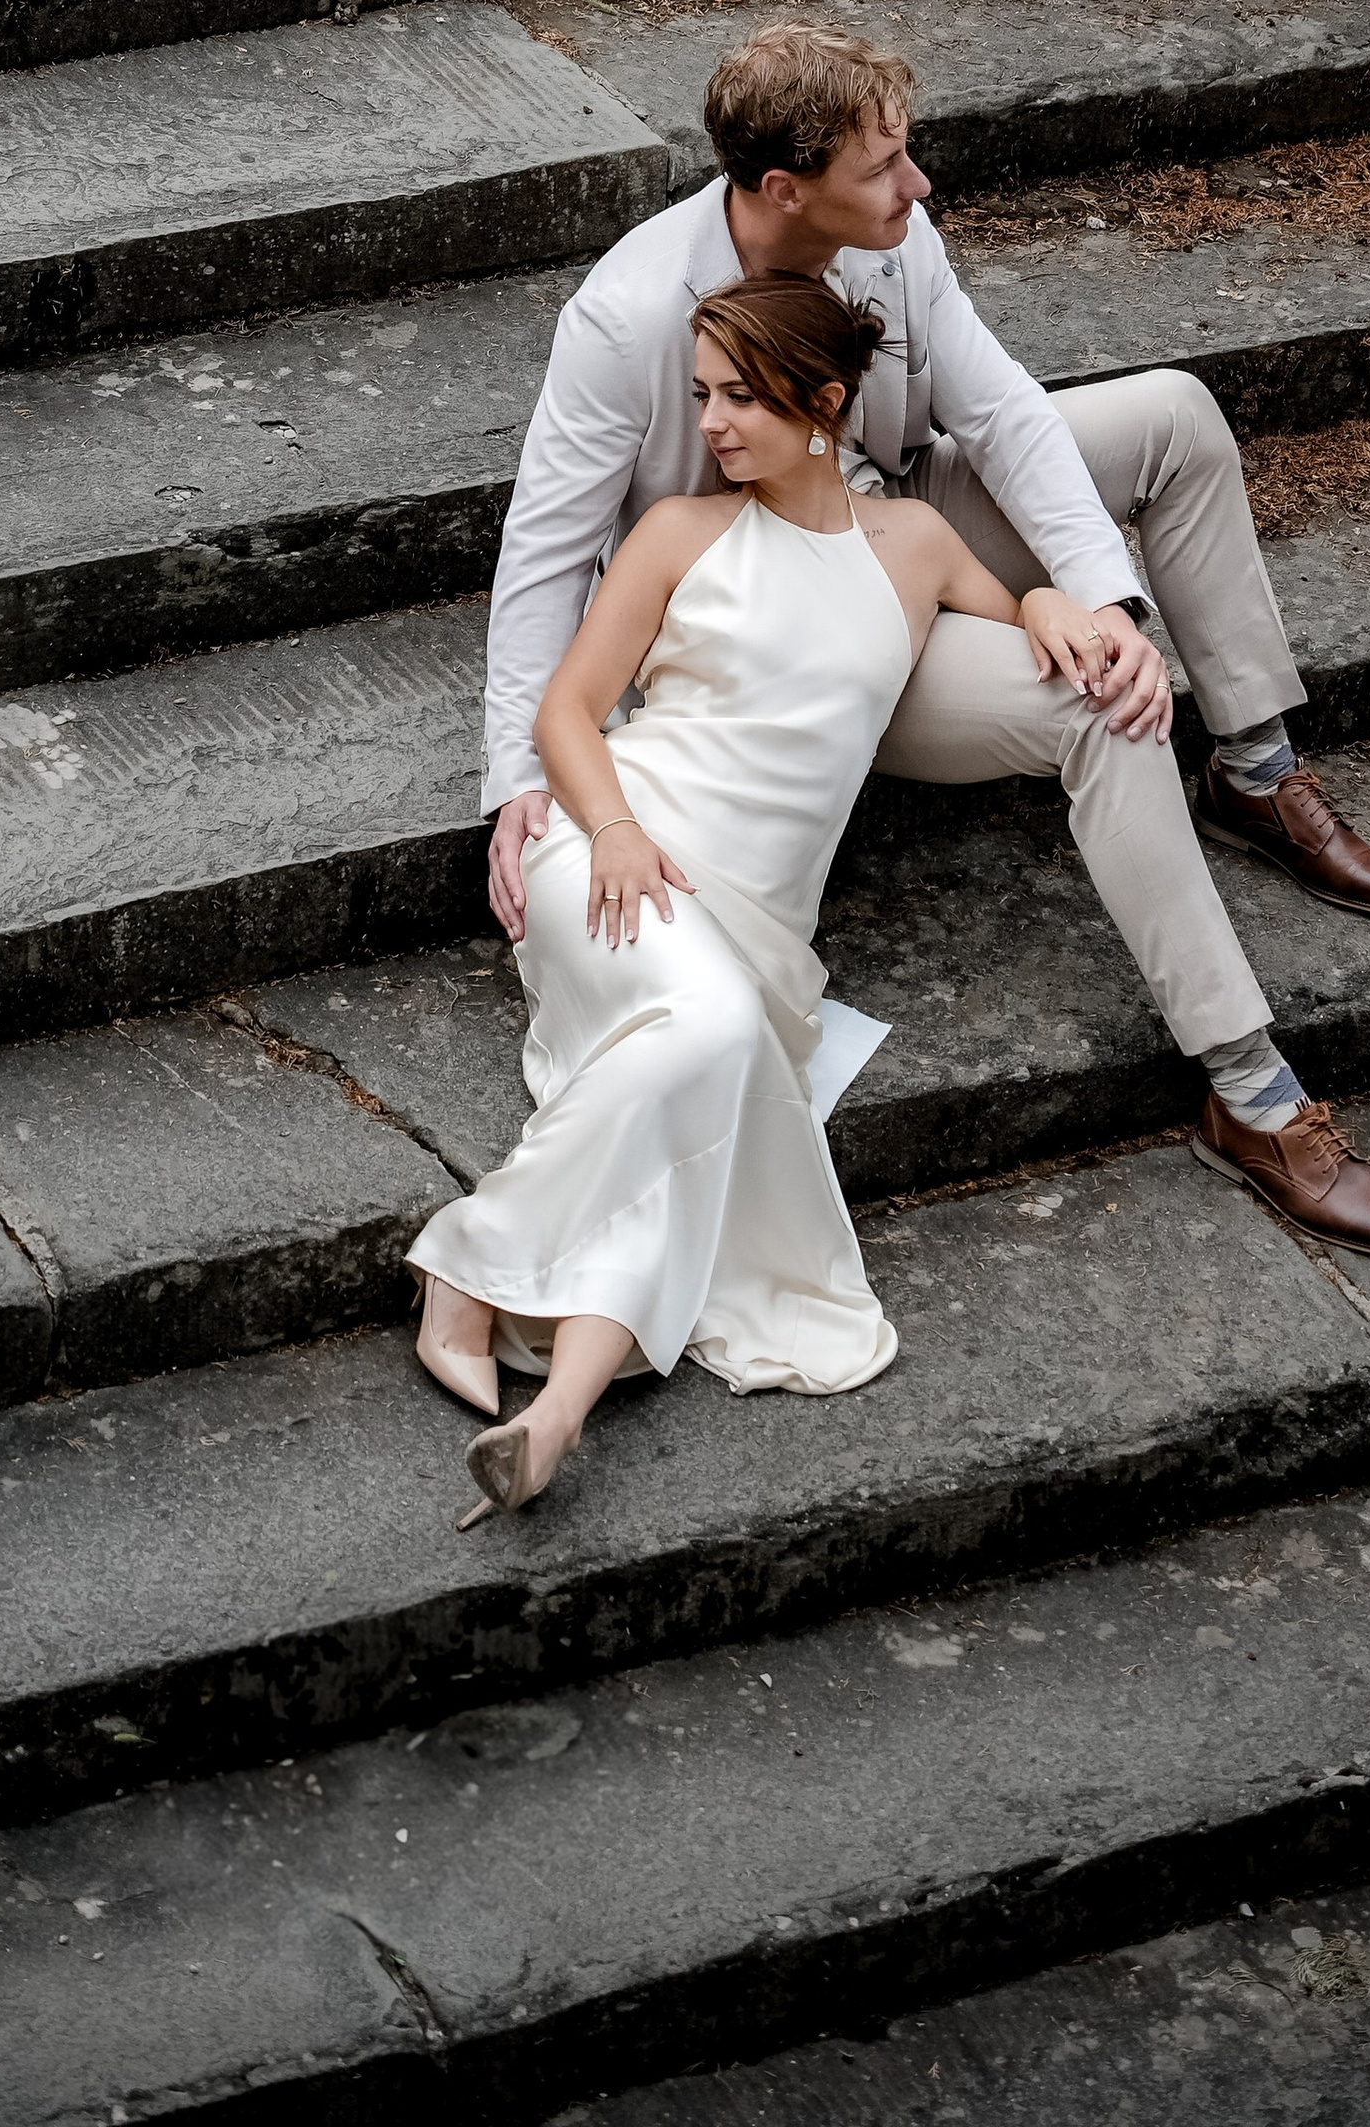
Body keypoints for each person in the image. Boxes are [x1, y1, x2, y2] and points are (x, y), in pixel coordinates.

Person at [477, 17, 1370, 1279]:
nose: (917, 186)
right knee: (1102, 714)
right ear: (784, 189)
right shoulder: (625, 317)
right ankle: (1251, 1092)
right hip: (781, 628)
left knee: (1174, 418)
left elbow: (1000, 412)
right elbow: (545, 547)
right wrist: (521, 780)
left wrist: (1108, 605)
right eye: (884, 168)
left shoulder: (893, 241)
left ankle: (1252, 765)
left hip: (897, 519)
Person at [408, 273, 1021, 1517]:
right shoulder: (678, 533)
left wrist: (1066, 598)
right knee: (714, 1034)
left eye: (741, 396)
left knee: (700, 1093)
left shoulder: (913, 546)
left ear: (826, 402)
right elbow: (566, 713)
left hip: (755, 925)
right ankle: (463, 1272)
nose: (713, 422)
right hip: (614, 858)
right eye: (702, 394)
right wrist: (617, 831)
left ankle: (551, 1414)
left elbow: (1016, 628)